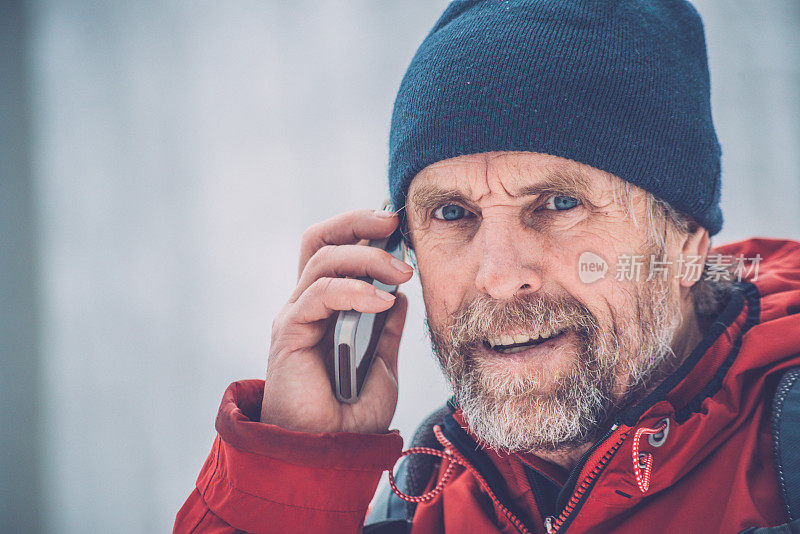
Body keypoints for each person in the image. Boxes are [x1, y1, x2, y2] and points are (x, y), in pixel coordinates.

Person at [174, 1, 800, 532]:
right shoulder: (415, 500)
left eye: (559, 203)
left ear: (685, 246)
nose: (499, 277)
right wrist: (297, 475)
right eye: (451, 213)